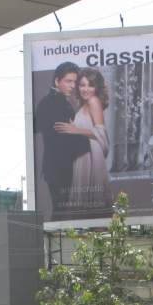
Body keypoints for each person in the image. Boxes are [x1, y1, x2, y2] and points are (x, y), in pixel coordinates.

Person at [34, 62, 91, 211]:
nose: (72, 86)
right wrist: (85, 138)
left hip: (58, 167)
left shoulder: (54, 102)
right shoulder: (55, 103)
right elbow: (65, 138)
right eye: (68, 81)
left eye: (75, 82)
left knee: (62, 212)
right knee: (62, 213)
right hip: (60, 168)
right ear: (57, 81)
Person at [54, 67, 112, 212]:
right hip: (84, 155)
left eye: (90, 85)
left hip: (92, 155)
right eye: (82, 85)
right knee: (85, 206)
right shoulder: (83, 105)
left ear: (96, 87)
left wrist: (76, 129)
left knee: (94, 204)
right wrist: (73, 127)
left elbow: (101, 133)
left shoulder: (93, 101)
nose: (85, 89)